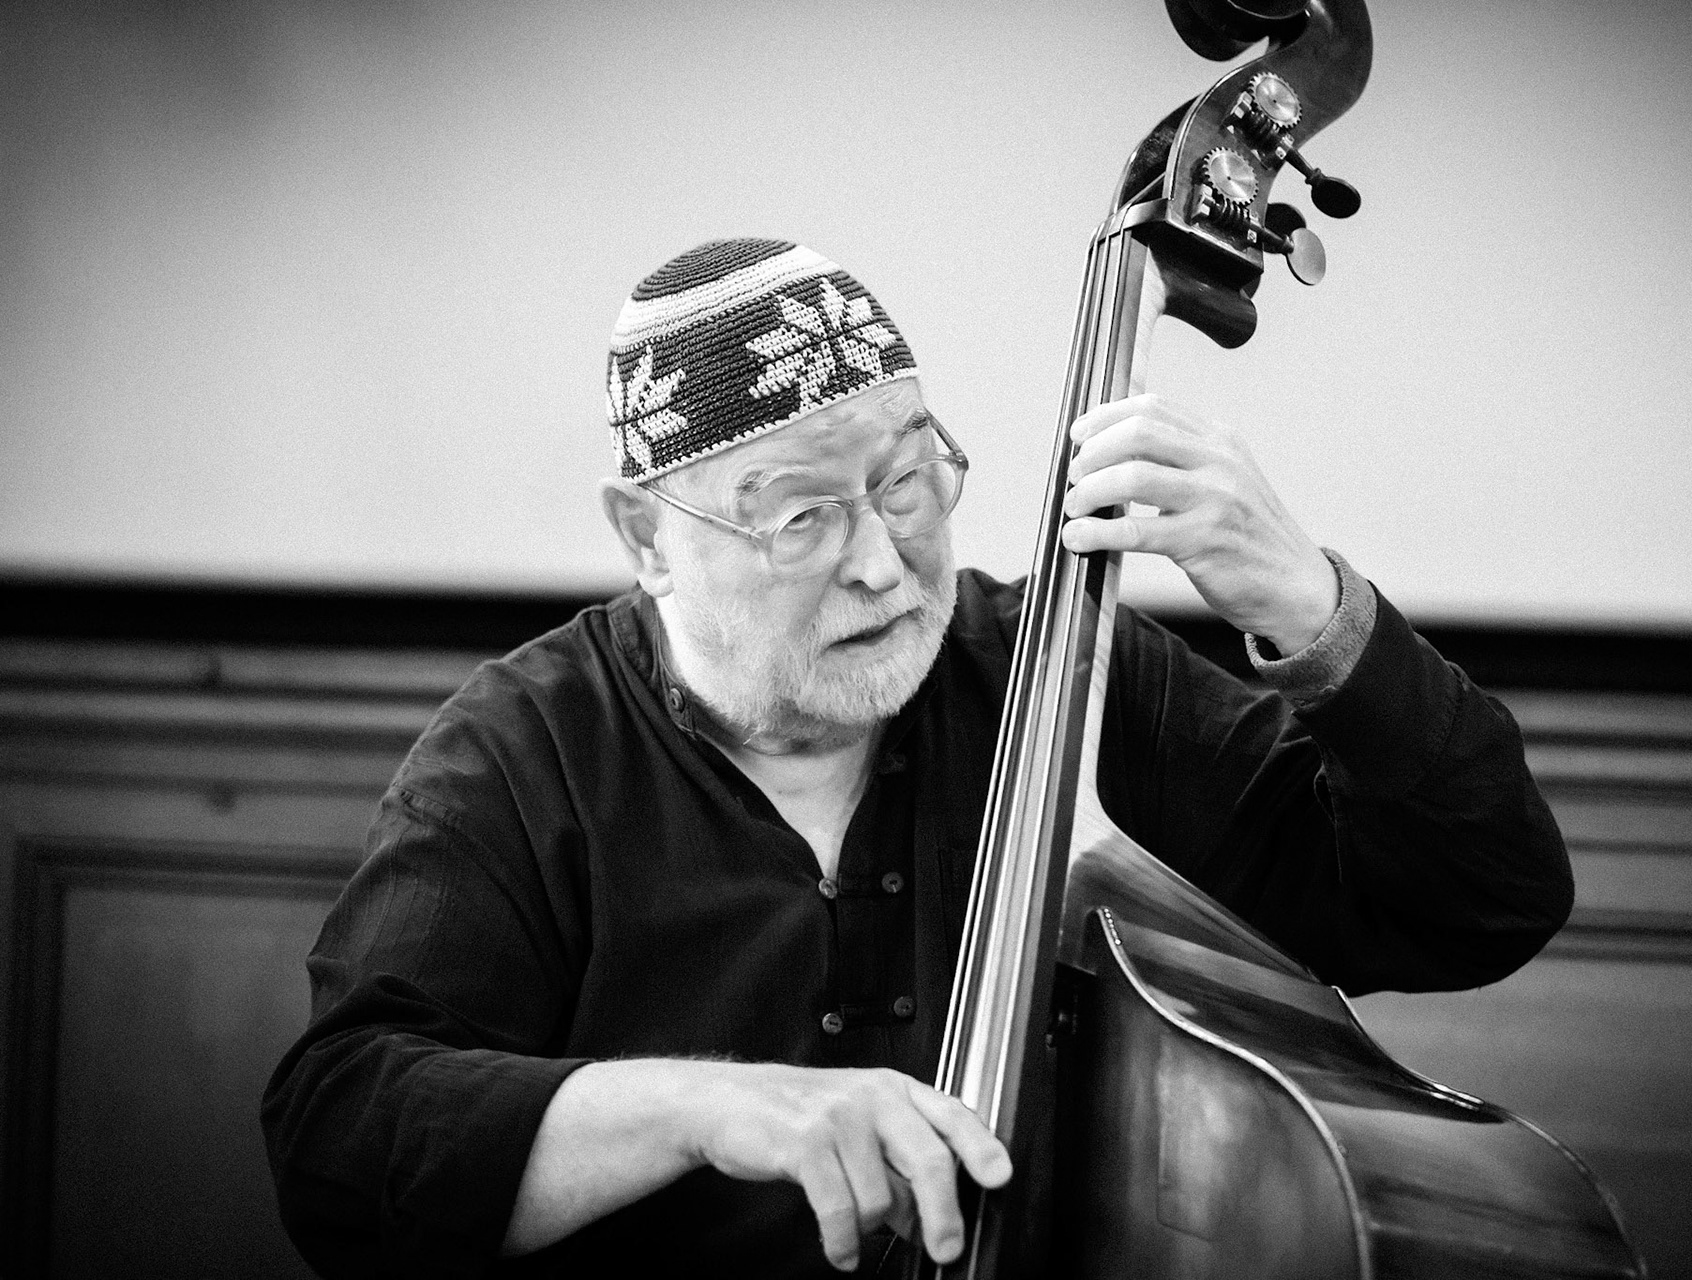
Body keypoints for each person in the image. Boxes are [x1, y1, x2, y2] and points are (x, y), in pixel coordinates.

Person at [261, 237, 1573, 1278]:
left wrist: (1306, 599)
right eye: (803, 517)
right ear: (648, 538)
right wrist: (705, 1111)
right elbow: (345, 1139)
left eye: (906, 482)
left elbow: (1476, 902)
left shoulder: (1066, 678)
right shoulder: (527, 750)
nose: (884, 565)